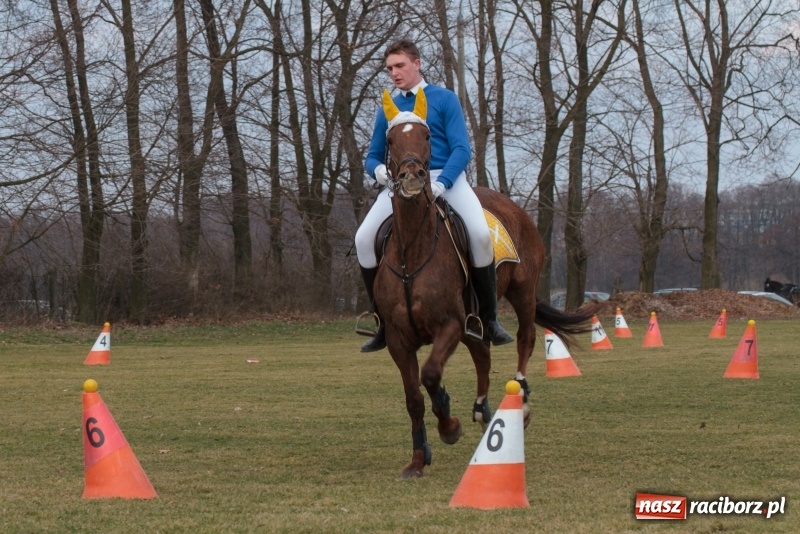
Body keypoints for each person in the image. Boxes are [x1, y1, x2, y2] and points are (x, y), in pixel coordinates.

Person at [355, 39, 513, 353]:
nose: (394, 73)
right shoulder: (387, 106)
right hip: (401, 183)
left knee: (481, 235)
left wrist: (443, 183)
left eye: (400, 65)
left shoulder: (444, 99)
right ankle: (382, 320)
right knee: (363, 238)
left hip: (445, 179)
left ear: (417, 63)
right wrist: (379, 173)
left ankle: (488, 318)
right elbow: (373, 155)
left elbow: (461, 149)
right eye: (389, 68)